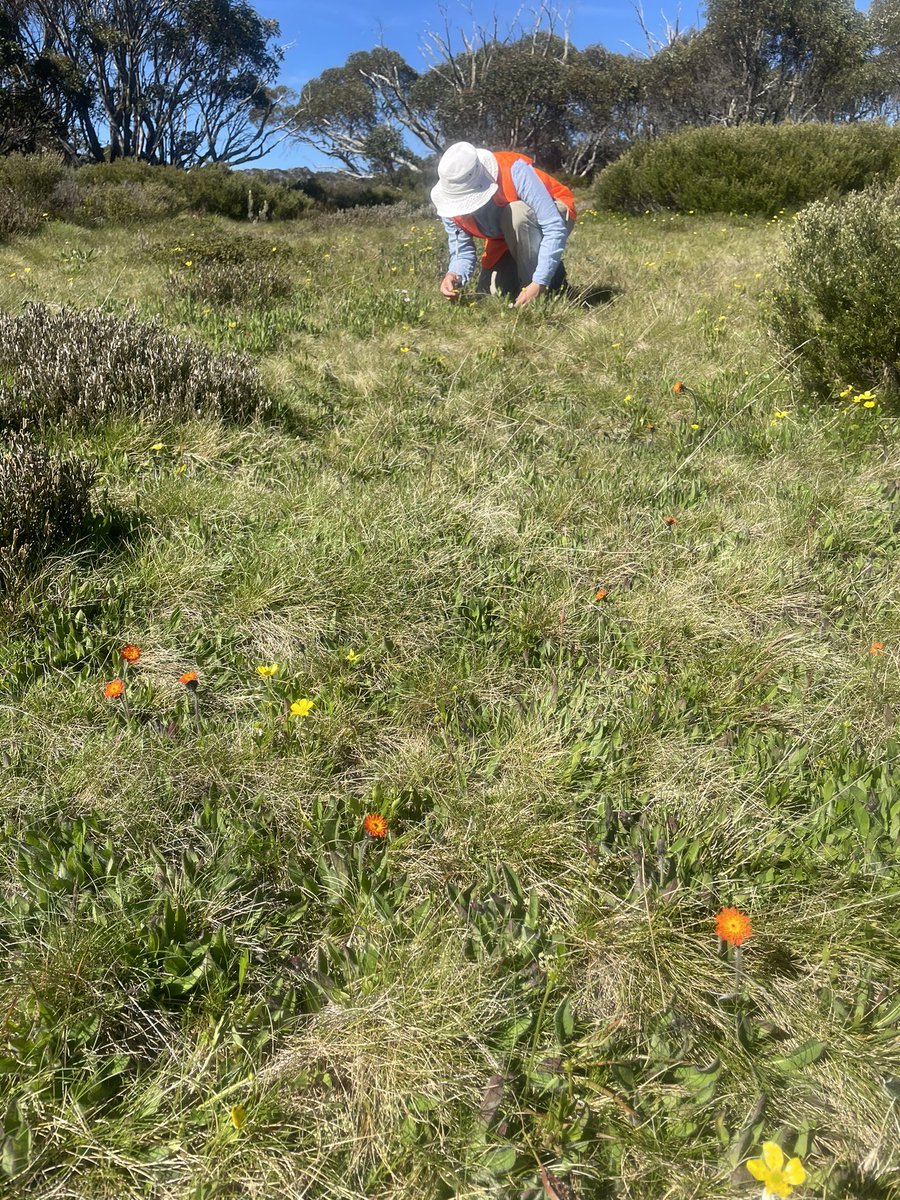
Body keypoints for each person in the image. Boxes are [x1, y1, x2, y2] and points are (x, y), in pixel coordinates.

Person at [430, 141, 576, 308]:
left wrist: (539, 282)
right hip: (504, 238)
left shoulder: (513, 170)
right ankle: (550, 272)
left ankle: (545, 293)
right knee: (492, 294)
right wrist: (454, 275)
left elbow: (553, 226)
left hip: (553, 214)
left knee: (517, 212)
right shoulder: (449, 206)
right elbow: (461, 252)